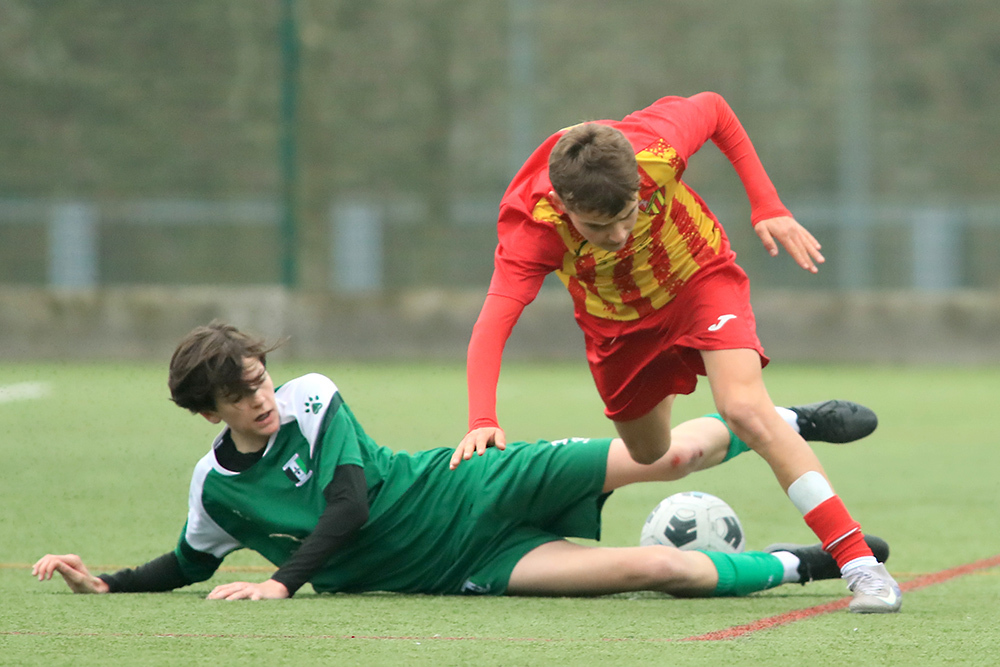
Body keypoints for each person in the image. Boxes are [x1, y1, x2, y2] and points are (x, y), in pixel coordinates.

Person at [34, 322, 893, 611]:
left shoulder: (311, 397)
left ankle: (785, 420)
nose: (261, 399)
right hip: (463, 567)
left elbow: (348, 504)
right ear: (208, 411)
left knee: (669, 455)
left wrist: (281, 583)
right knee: (662, 568)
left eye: (259, 380)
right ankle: (799, 564)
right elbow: (189, 561)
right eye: (239, 395)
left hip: (472, 480)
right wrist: (106, 582)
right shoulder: (217, 488)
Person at [454, 91, 901, 613]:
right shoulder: (533, 227)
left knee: (743, 408)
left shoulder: (654, 147)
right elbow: (492, 324)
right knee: (655, 455)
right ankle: (787, 422)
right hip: (620, 329)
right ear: (564, 203)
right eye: (597, 227)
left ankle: (861, 567)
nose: (619, 235)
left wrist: (766, 203)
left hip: (699, 279)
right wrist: (482, 417)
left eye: (629, 214)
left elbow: (715, 108)